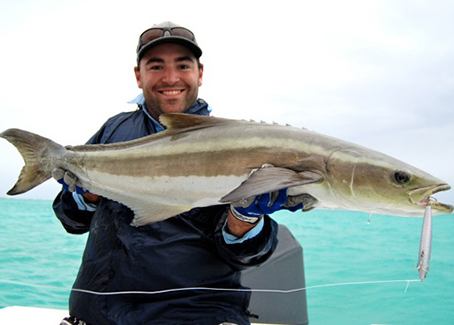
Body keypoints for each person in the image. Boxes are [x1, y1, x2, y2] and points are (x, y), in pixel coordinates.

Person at [54, 21, 302, 325]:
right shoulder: (114, 129)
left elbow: (246, 255)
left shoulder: (234, 142)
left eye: (182, 65)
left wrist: (246, 219)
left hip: (197, 317)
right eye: (156, 66)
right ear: (138, 75)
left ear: (199, 73)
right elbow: (72, 220)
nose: (170, 77)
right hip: (97, 316)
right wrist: (88, 192)